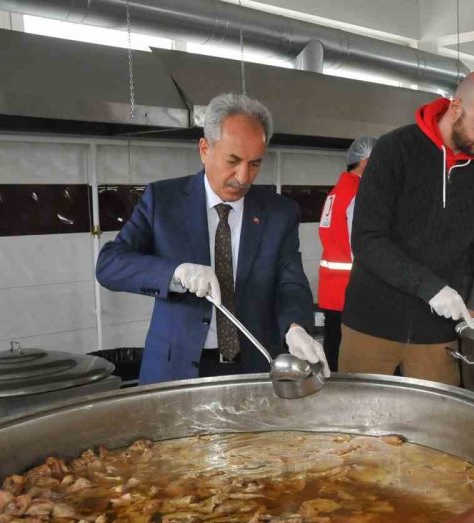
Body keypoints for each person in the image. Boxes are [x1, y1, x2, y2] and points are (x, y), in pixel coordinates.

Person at [95, 92, 327, 384]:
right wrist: (176, 273)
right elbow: (109, 264)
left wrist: (296, 327)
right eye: (233, 160)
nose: (243, 177)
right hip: (175, 370)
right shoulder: (163, 201)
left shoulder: (279, 212)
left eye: (255, 164)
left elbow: (289, 281)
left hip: (253, 368)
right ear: (204, 149)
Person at [338, 69, 474, 385]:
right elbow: (368, 239)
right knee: (356, 420)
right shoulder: (394, 150)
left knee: (439, 424)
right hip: (372, 323)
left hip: (436, 331)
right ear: (455, 108)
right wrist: (431, 288)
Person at [317, 135, 377, 372]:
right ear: (366, 162)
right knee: (351, 362)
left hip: (331, 290)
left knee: (334, 353)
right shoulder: (360, 193)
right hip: (352, 291)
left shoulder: (337, 191)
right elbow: (362, 247)